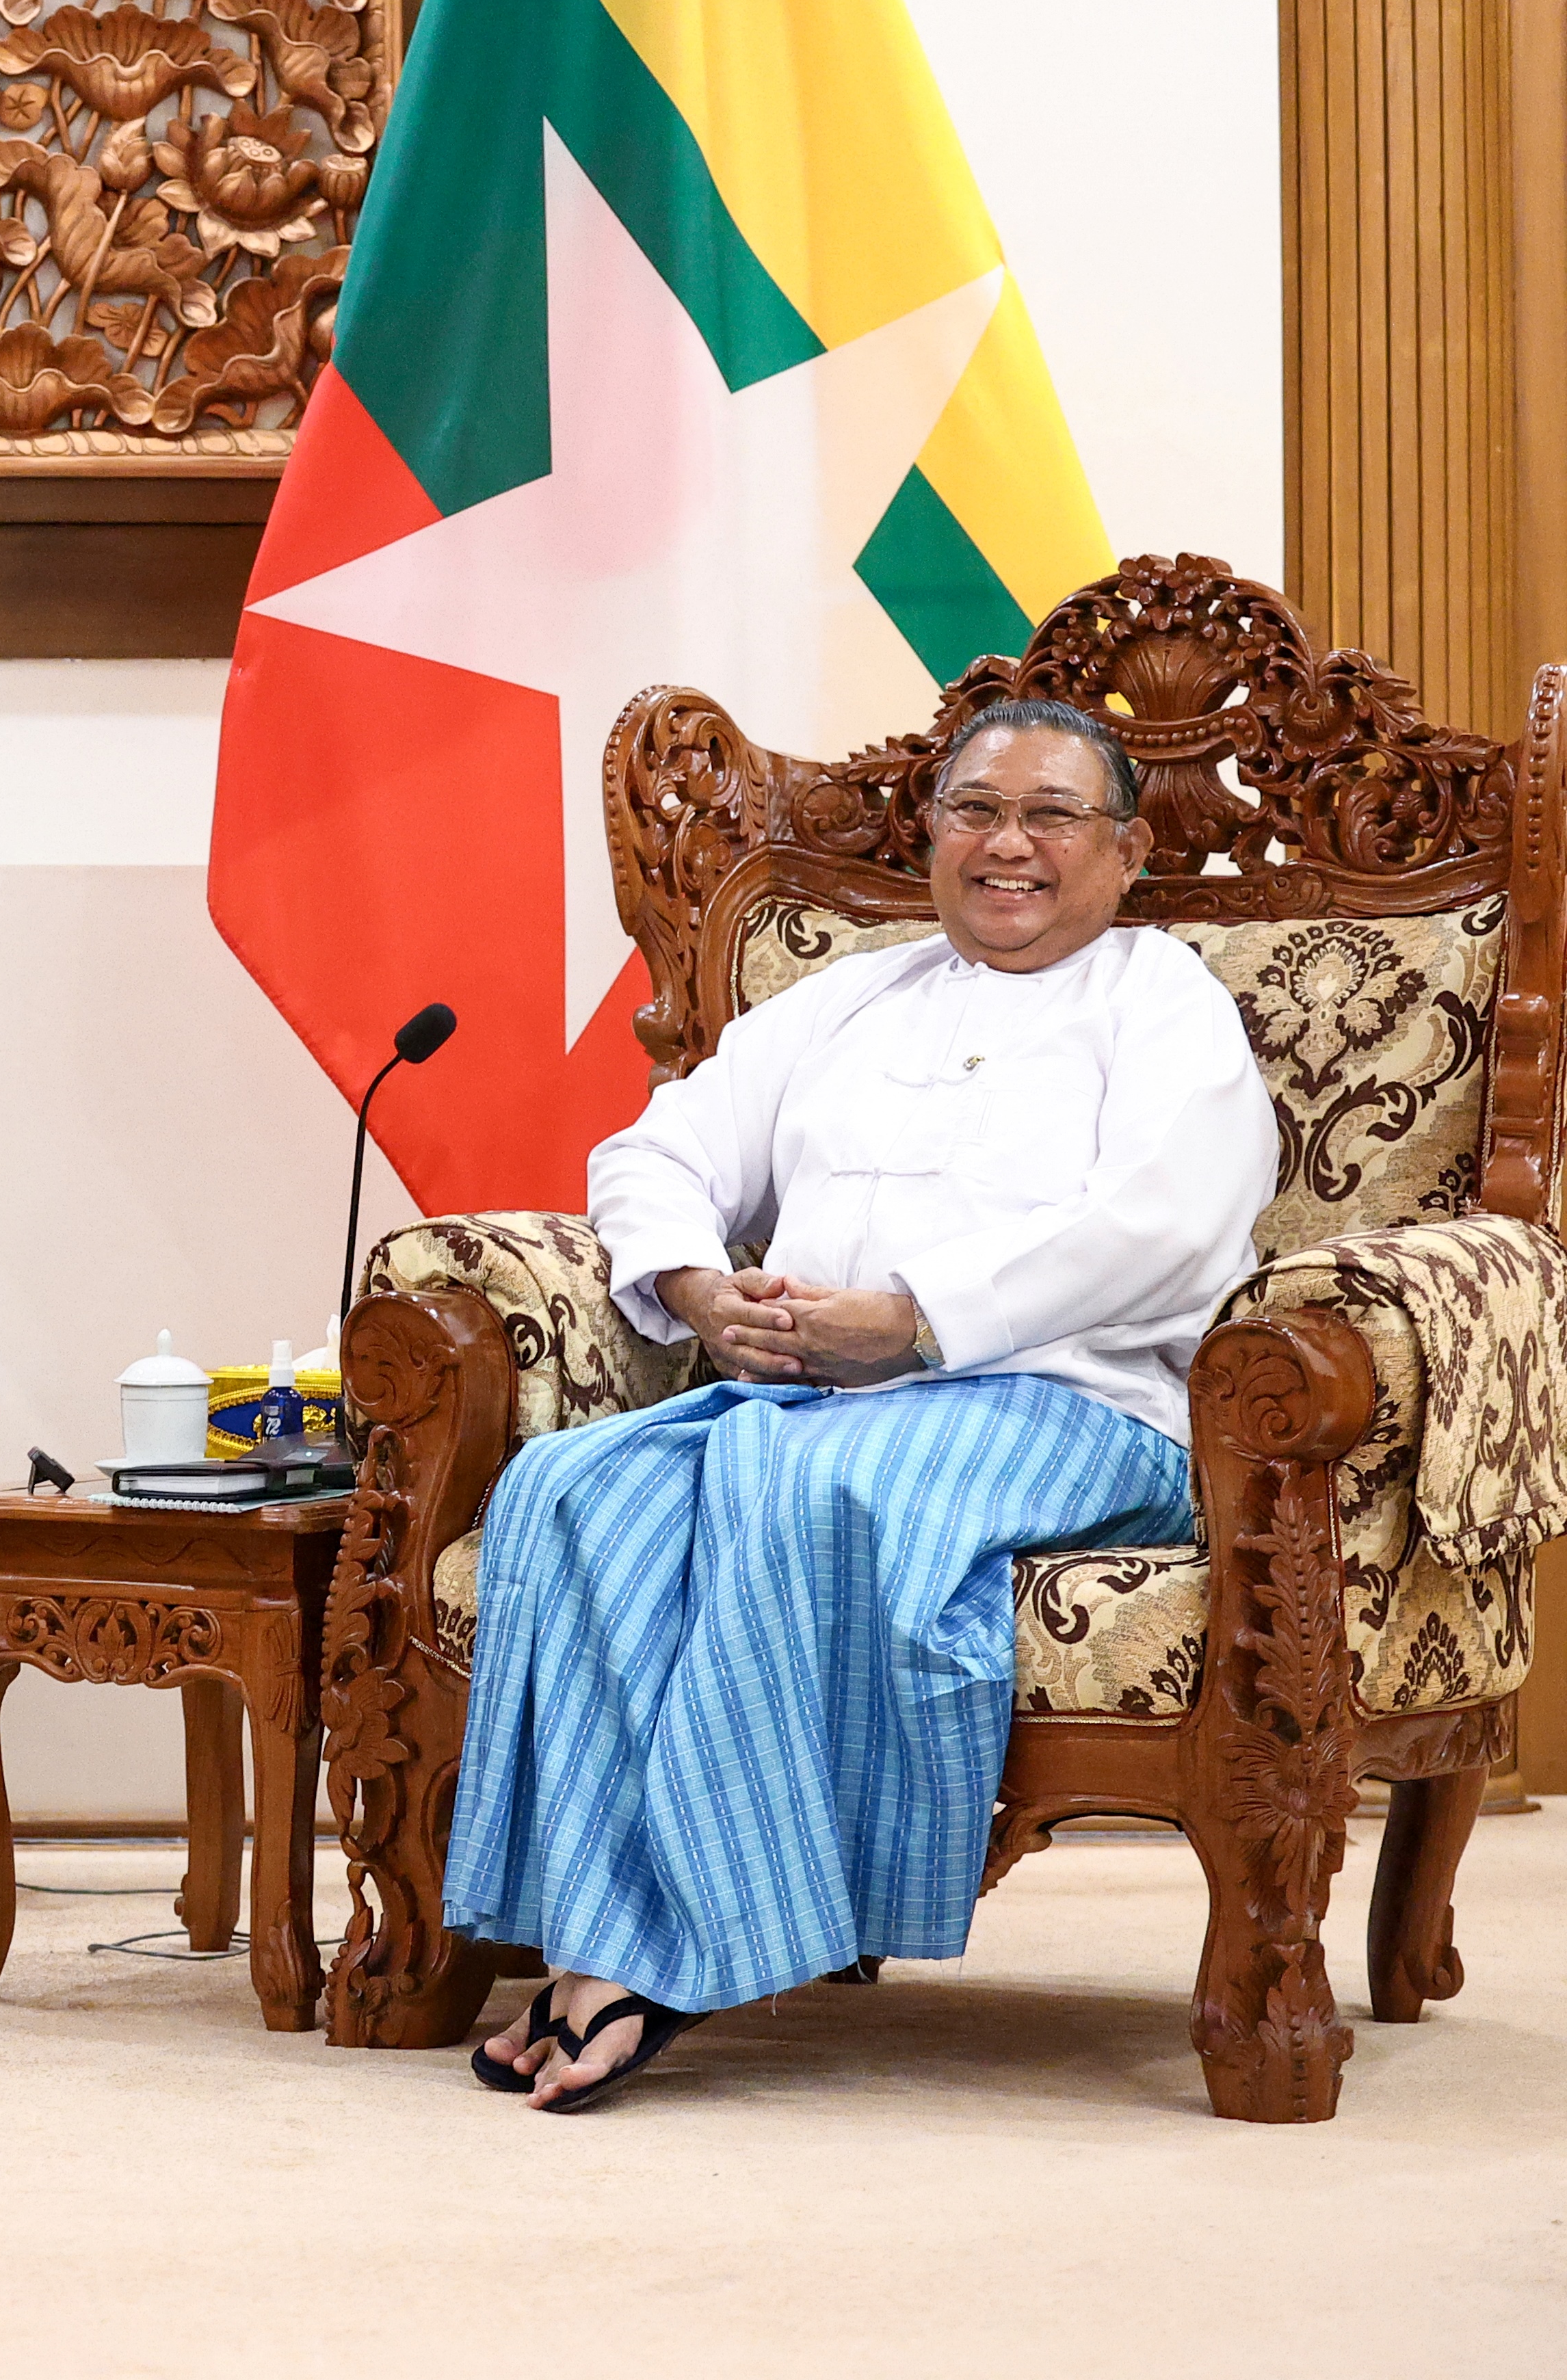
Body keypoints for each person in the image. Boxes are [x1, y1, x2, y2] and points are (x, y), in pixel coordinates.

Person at [448, 698, 1276, 2111]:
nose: (1005, 844)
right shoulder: (852, 994)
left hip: (1066, 1404)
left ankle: (678, 1948)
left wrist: (910, 1318)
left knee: (807, 1491)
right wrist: (700, 1290)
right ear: (931, 829)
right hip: (805, 1402)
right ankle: (587, 1925)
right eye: (973, 809)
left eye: (1049, 815)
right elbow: (657, 1147)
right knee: (570, 1486)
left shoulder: (1163, 1002)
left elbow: (1169, 1224)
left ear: (1128, 848)